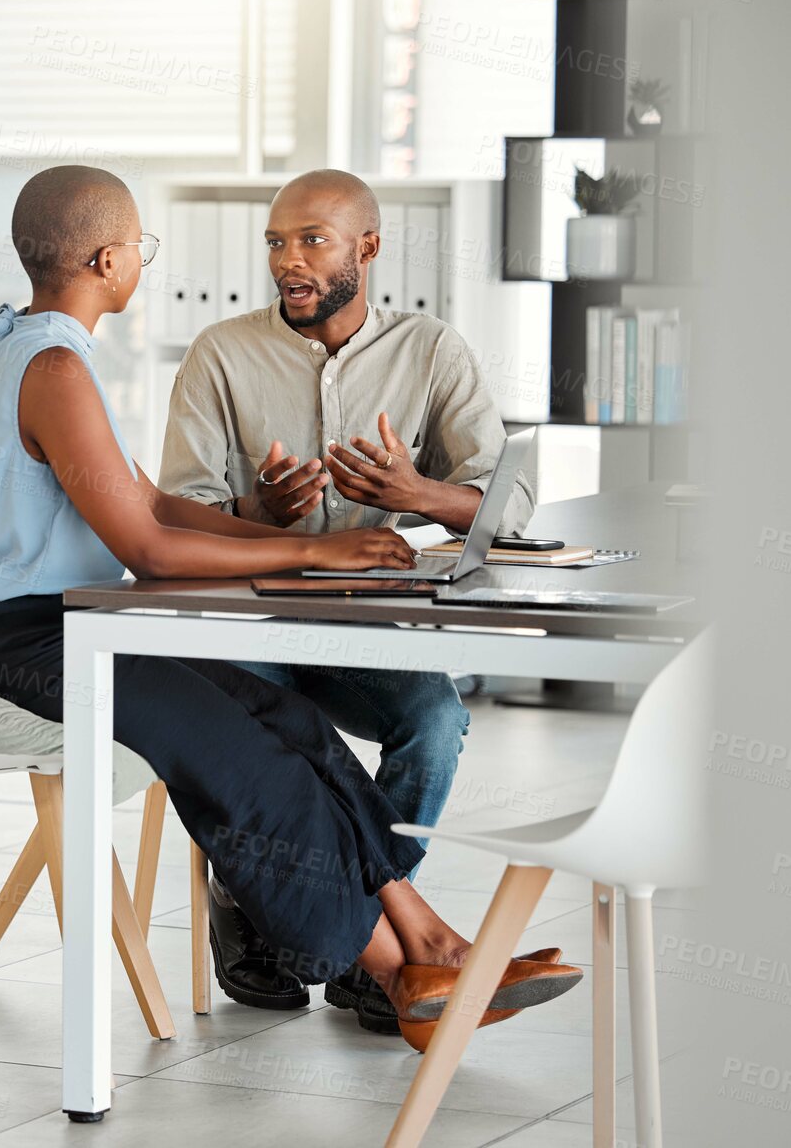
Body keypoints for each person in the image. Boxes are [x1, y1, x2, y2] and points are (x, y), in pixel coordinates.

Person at [0, 164, 579, 1051]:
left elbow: (152, 504)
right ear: (110, 259)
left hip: (66, 620)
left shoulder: (23, 346)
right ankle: (393, 970)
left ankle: (431, 943)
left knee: (287, 720)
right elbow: (147, 549)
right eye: (140, 252)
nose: (144, 268)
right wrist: (311, 544)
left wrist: (264, 529)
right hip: (16, 637)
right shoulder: (55, 366)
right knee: (244, 759)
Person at [158, 168, 536, 1031]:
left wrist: (419, 489)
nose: (287, 261)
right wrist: (258, 512)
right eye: (275, 243)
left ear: (367, 248)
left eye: (311, 241)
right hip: (250, 622)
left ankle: (365, 937)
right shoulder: (220, 351)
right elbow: (174, 510)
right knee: (261, 738)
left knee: (434, 724)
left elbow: (507, 503)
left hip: (369, 632)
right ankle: (259, 908)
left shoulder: (431, 350)